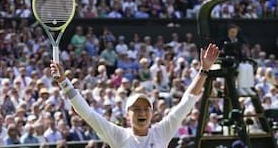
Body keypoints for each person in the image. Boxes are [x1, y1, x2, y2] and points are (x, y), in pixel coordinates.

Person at [50, 44, 219, 148]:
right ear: (127, 115)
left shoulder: (162, 132)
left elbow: (187, 101)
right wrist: (64, 82)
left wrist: (204, 71)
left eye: (146, 109)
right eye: (136, 109)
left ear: (152, 113)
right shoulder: (118, 135)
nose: (142, 113)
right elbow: (86, 112)